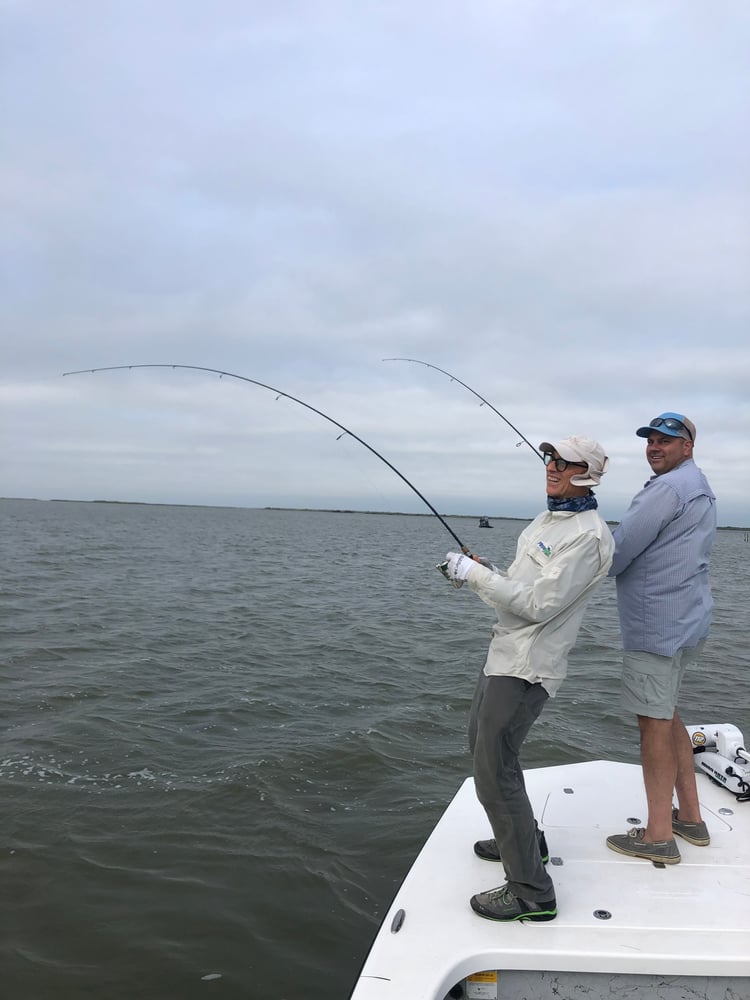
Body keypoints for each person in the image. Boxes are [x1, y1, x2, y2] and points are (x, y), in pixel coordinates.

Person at [441, 435, 614, 922]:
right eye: (548, 458)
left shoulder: (588, 535)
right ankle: (524, 841)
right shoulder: (546, 522)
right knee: (482, 743)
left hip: (528, 666)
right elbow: (515, 591)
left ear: (587, 471)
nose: (551, 466)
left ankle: (531, 891)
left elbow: (540, 606)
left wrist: (474, 577)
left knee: (493, 766)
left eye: (562, 461)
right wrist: (479, 572)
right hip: (504, 652)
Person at [606, 412, 716, 865]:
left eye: (667, 440)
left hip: (657, 627)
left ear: (687, 446)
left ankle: (657, 836)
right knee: (667, 712)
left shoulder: (668, 488)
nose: (655, 446)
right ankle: (689, 817)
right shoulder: (700, 485)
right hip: (688, 622)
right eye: (651, 439)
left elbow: (620, 547)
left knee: (652, 722)